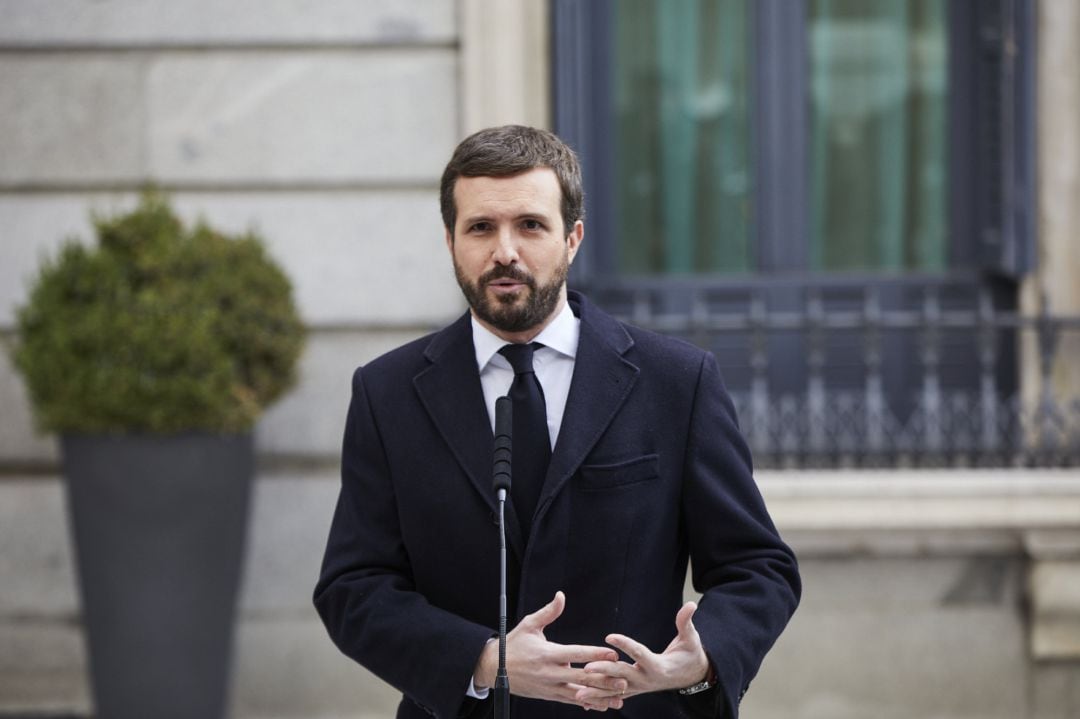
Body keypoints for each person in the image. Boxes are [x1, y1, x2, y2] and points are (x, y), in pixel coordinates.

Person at [314, 125, 800, 718]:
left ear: (572, 238)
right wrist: (484, 660)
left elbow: (758, 567)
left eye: (531, 225)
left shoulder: (677, 381)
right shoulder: (385, 392)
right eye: (481, 228)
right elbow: (353, 588)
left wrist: (700, 661)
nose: (505, 252)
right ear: (449, 240)